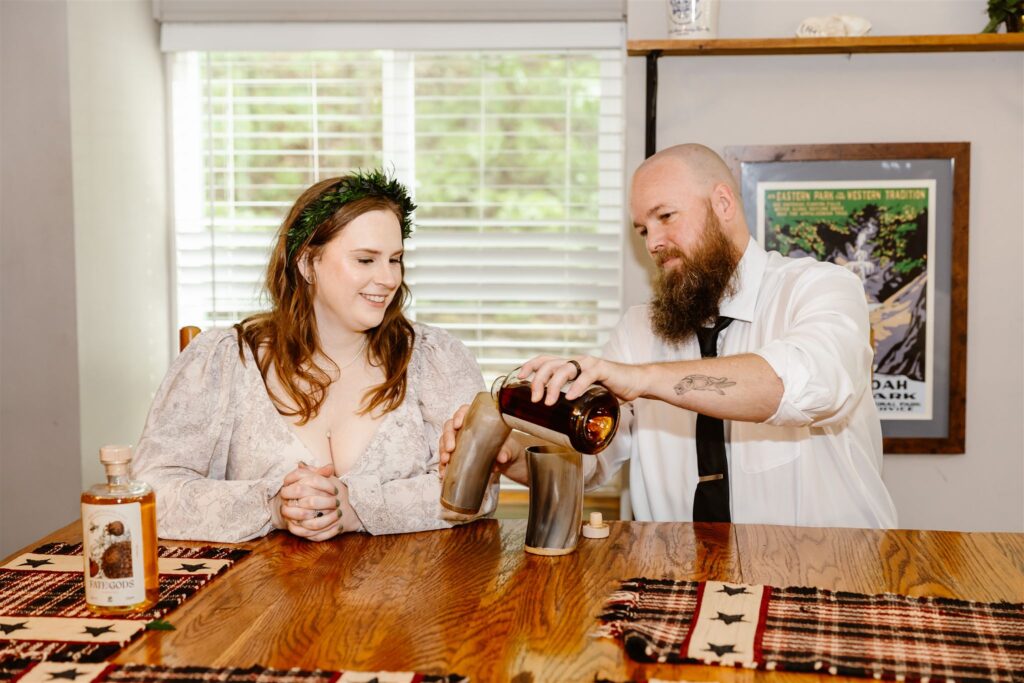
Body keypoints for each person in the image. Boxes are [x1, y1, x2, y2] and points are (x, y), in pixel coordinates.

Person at [441, 144, 897, 529]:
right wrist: (511, 454)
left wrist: (641, 379)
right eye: (643, 230)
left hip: (826, 579)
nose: (654, 242)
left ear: (722, 203)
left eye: (665, 216)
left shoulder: (820, 288)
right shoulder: (638, 330)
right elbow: (591, 463)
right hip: (672, 584)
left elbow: (808, 385)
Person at [133, 170, 494, 543]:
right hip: (259, 595)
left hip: (411, 589)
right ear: (307, 263)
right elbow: (150, 490)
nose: (388, 278)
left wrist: (355, 507)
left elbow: (479, 490)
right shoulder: (224, 361)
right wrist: (274, 505)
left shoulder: (436, 359)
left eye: (395, 259)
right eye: (366, 260)